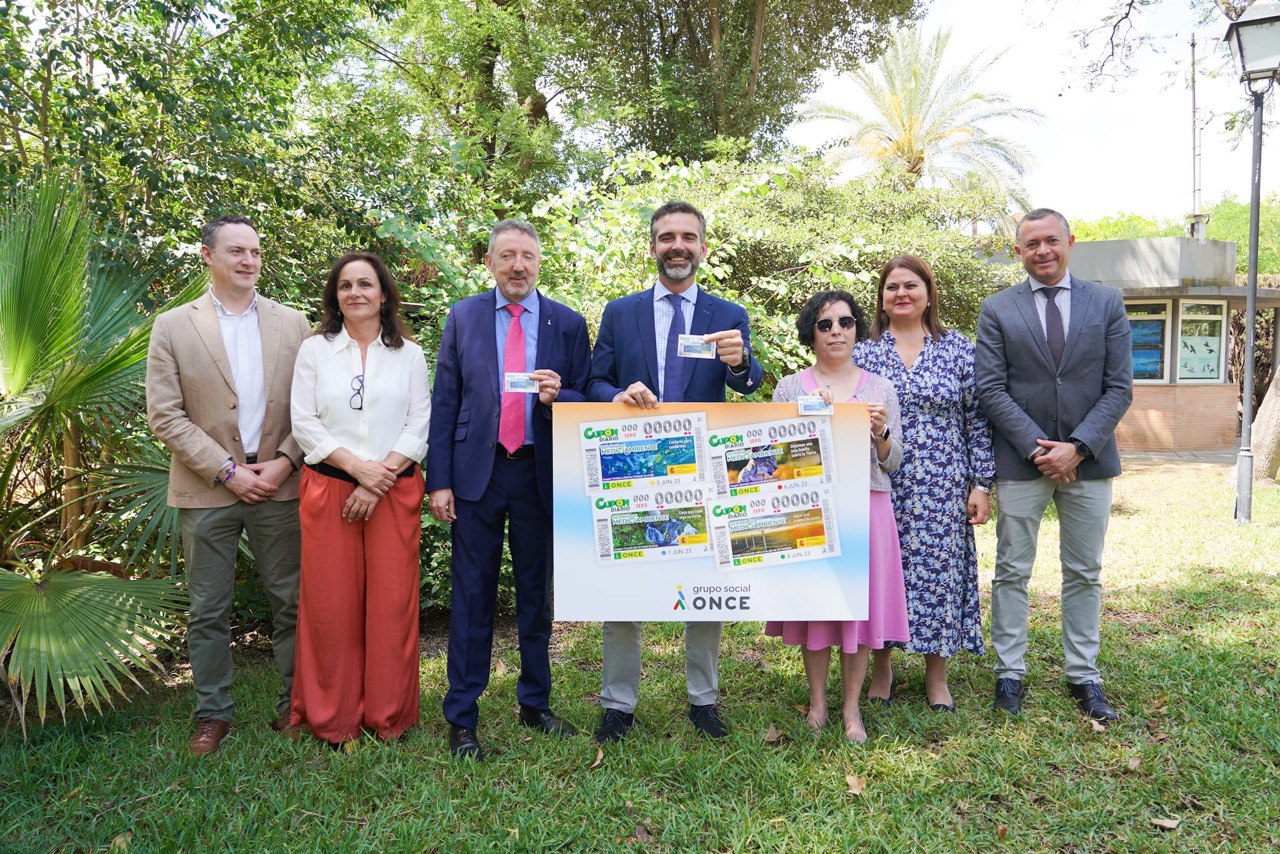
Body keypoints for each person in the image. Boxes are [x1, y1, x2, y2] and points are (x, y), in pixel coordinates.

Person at [586, 200, 764, 743]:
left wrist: (739, 360)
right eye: (667, 237)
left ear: (703, 248)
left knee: (704, 587)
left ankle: (703, 699)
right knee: (624, 583)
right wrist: (618, 394)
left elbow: (748, 382)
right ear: (653, 248)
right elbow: (593, 381)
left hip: (703, 467)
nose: (677, 246)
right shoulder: (621, 312)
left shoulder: (728, 314)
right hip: (635, 466)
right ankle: (618, 703)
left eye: (688, 237)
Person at [146, 215, 311, 755]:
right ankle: (212, 713)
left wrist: (286, 461)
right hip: (207, 487)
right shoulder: (173, 325)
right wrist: (226, 470)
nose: (248, 260)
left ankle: (295, 705)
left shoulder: (293, 323)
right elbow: (165, 415)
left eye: (256, 252)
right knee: (208, 608)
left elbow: (315, 406)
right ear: (207, 255)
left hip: (279, 483)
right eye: (237, 250)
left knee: (291, 601)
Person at [427, 219, 591, 760]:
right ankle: (462, 715)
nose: (518, 266)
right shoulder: (464, 316)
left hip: (540, 473)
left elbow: (587, 395)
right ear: (490, 263)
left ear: (539, 262)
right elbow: (445, 401)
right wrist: (439, 481)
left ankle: (535, 703)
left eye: (527, 256)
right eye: (507, 256)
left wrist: (561, 396)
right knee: (471, 596)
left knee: (535, 597)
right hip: (478, 473)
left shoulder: (568, 323)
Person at [974, 208, 1133, 723]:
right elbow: (990, 389)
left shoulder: (1106, 303)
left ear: (1070, 241)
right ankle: (1009, 673)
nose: (1042, 251)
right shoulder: (998, 308)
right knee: (1011, 571)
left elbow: (1119, 387)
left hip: (1090, 462)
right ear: (1018, 252)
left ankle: (1083, 675)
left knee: (1084, 572)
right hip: (1023, 463)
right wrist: (1040, 450)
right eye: (1031, 244)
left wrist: (1078, 448)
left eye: (1050, 240)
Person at [288, 251, 430, 747]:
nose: (355, 293)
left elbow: (419, 423)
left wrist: (376, 479)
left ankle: (388, 715)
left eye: (365, 284)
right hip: (330, 487)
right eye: (345, 285)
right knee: (331, 606)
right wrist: (357, 470)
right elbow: (303, 422)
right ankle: (333, 718)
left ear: (384, 294)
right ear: (335, 296)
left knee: (392, 604)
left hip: (393, 490)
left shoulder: (410, 355)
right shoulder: (314, 351)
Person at [852, 254, 995, 712]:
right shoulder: (863, 352)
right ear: (881, 298)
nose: (902, 294)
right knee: (882, 572)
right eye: (892, 287)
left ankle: (937, 675)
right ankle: (882, 668)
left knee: (939, 575)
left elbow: (978, 420)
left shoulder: (957, 349)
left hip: (943, 483)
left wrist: (981, 484)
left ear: (929, 294)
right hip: (878, 479)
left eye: (911, 285)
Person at [764, 291, 909, 743]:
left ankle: (851, 709)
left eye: (845, 323)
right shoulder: (790, 388)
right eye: (825, 324)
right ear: (811, 333)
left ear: (856, 330)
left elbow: (894, 462)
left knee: (857, 614)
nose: (836, 332)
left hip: (867, 507)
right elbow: (773, 461)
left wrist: (881, 433)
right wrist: (808, 419)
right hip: (809, 511)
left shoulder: (880, 389)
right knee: (817, 608)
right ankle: (818, 703)